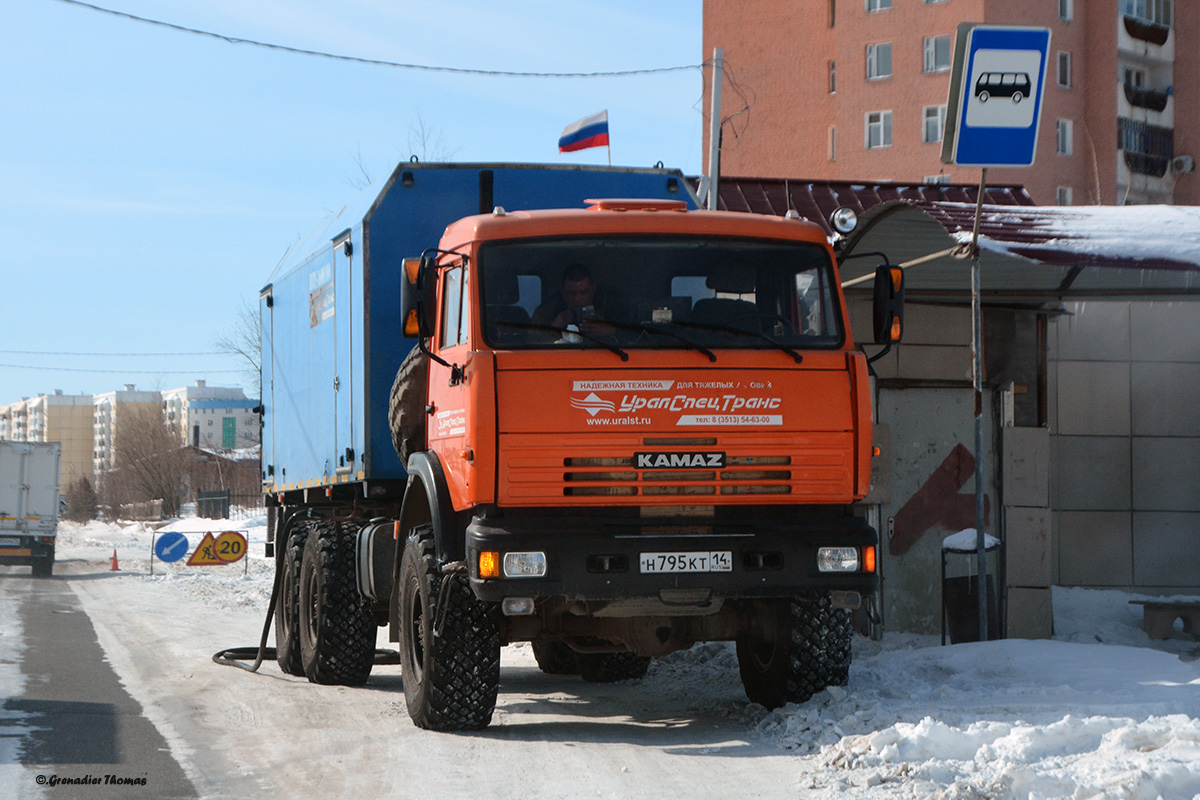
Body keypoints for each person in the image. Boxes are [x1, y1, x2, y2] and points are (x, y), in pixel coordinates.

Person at [532, 264, 608, 332]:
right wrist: (554, 328)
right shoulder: (547, 311)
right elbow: (532, 340)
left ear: (593, 288)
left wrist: (608, 330)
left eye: (584, 292)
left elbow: (619, 333)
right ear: (563, 291)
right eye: (572, 293)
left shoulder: (610, 306)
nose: (578, 298)